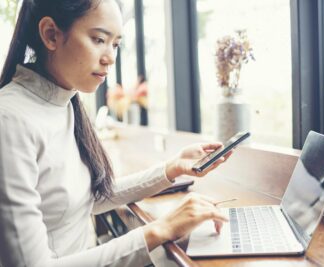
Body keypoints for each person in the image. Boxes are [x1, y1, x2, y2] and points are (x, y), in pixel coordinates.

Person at [0, 0, 230, 266]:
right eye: (99, 39)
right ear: (51, 34)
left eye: (116, 44)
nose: (110, 57)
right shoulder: (10, 119)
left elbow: (86, 199)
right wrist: (159, 229)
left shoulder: (63, 103)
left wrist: (170, 170)